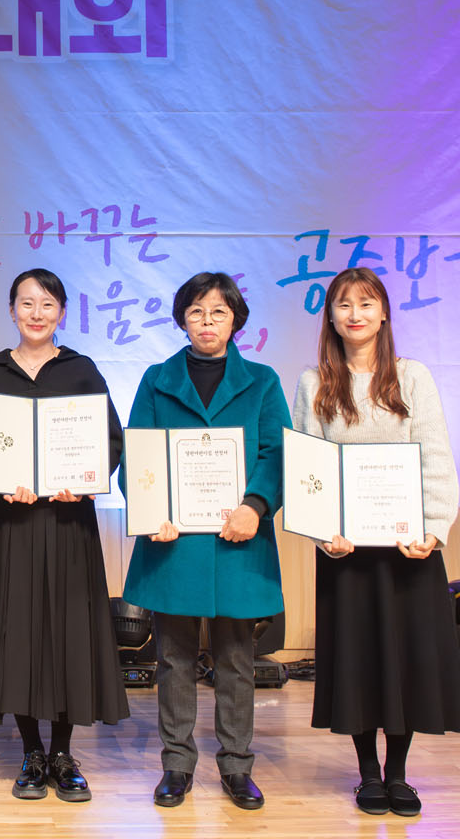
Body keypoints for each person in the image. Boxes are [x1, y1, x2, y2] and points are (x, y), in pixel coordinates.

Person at [290, 267, 460, 817]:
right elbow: (307, 470)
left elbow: (435, 455)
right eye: (344, 305)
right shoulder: (314, 383)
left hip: (407, 552)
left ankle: (399, 774)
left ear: (384, 313)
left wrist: (433, 529)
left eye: (366, 304)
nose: (355, 315)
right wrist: (323, 533)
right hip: (346, 553)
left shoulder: (412, 377)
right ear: (330, 316)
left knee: (405, 660)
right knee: (358, 661)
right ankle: (368, 772)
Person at [121, 270, 288, 811]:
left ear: (235, 320)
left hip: (238, 537)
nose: (207, 321)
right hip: (174, 542)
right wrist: (153, 512)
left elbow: (277, 452)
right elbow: (137, 454)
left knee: (237, 660)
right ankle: (177, 764)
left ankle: (237, 766)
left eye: (218, 312)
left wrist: (254, 506)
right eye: (196, 312)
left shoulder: (262, 380)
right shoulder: (156, 379)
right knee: (173, 658)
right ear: (182, 320)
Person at [0, 268, 128, 802]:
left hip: (67, 522)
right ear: (11, 309)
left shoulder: (82, 371)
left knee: (67, 632)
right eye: (27, 303)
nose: (36, 313)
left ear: (61, 313)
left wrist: (84, 482)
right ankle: (31, 752)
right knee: (19, 632)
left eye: (47, 304)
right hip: (13, 522)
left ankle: (62, 752)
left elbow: (110, 441)